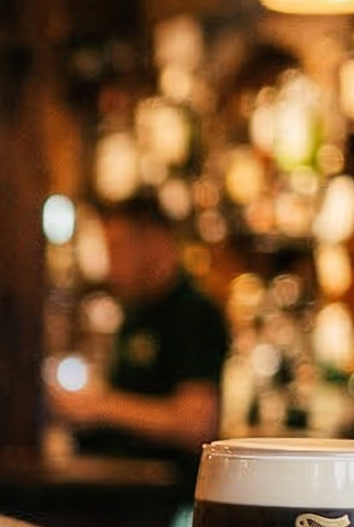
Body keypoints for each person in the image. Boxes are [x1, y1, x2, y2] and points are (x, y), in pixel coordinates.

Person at [49, 195, 227, 466]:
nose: (110, 264)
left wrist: (98, 406)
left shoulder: (193, 312)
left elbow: (196, 424)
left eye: (117, 247)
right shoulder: (136, 312)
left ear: (154, 241)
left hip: (161, 496)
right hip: (119, 483)